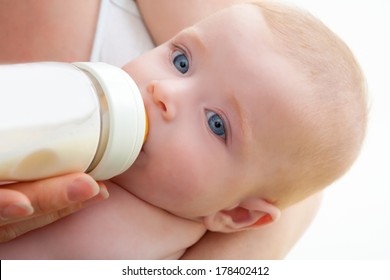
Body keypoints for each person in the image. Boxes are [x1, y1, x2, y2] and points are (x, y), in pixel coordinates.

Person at [0, 0, 366, 259]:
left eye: (216, 124)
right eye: (180, 60)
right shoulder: (75, 112)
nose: (164, 91)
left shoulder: (161, 249)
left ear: (235, 215)